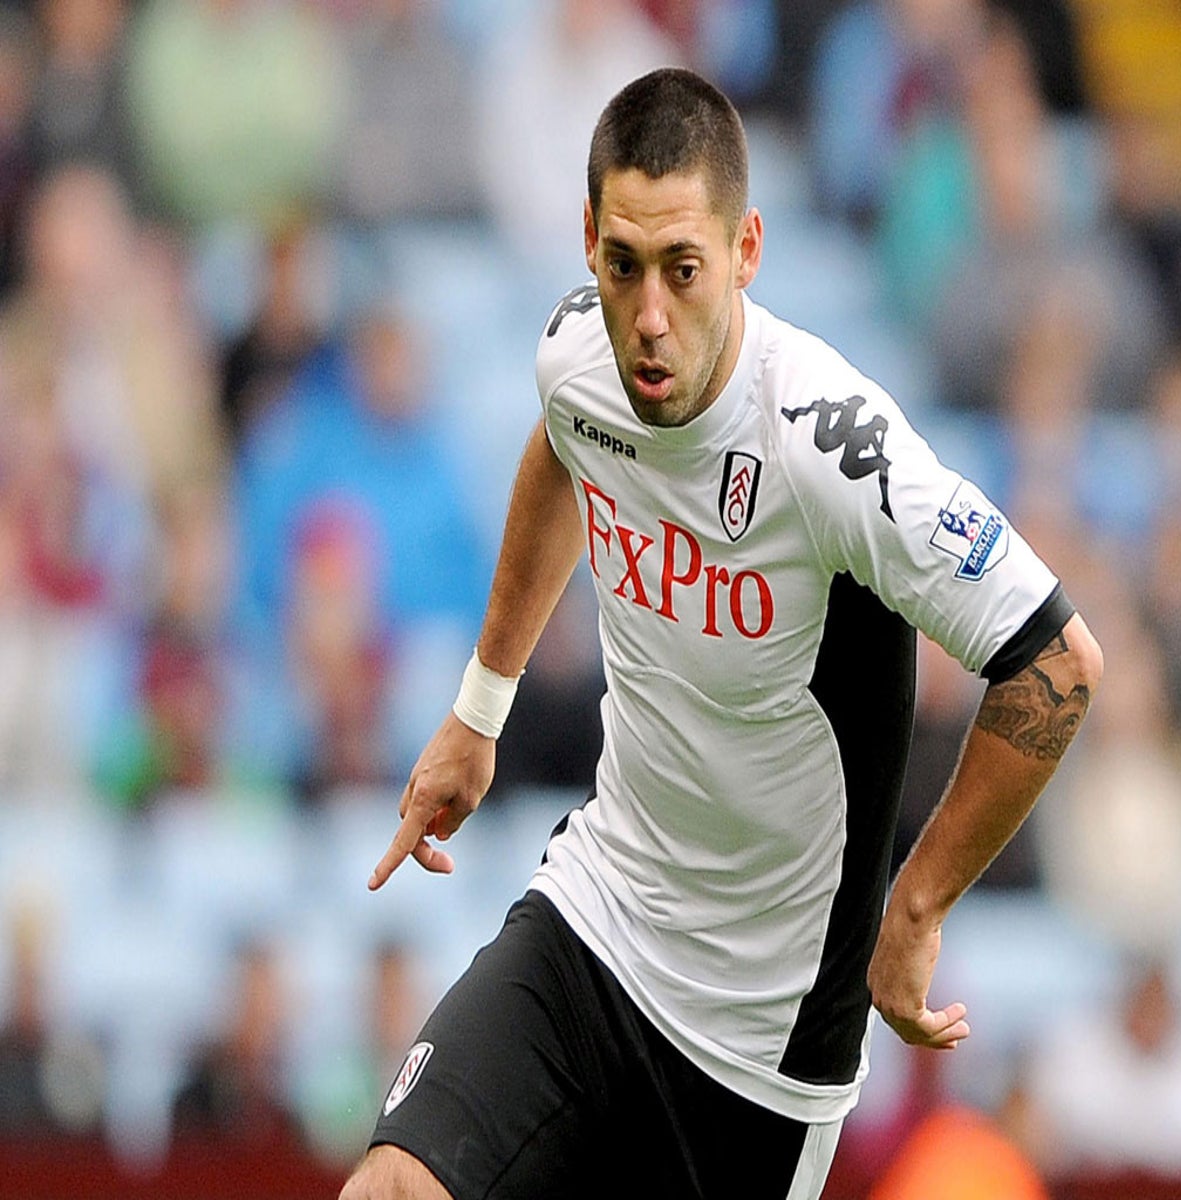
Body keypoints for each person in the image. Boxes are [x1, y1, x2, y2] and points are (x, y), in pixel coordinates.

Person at [340, 67, 1103, 1200]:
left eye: (684, 271)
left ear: (747, 249)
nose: (649, 318)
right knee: (392, 1189)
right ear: (589, 240)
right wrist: (478, 709)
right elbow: (561, 444)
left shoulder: (835, 450)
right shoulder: (579, 356)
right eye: (623, 268)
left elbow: (1058, 661)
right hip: (596, 922)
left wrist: (920, 903)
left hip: (762, 1047)